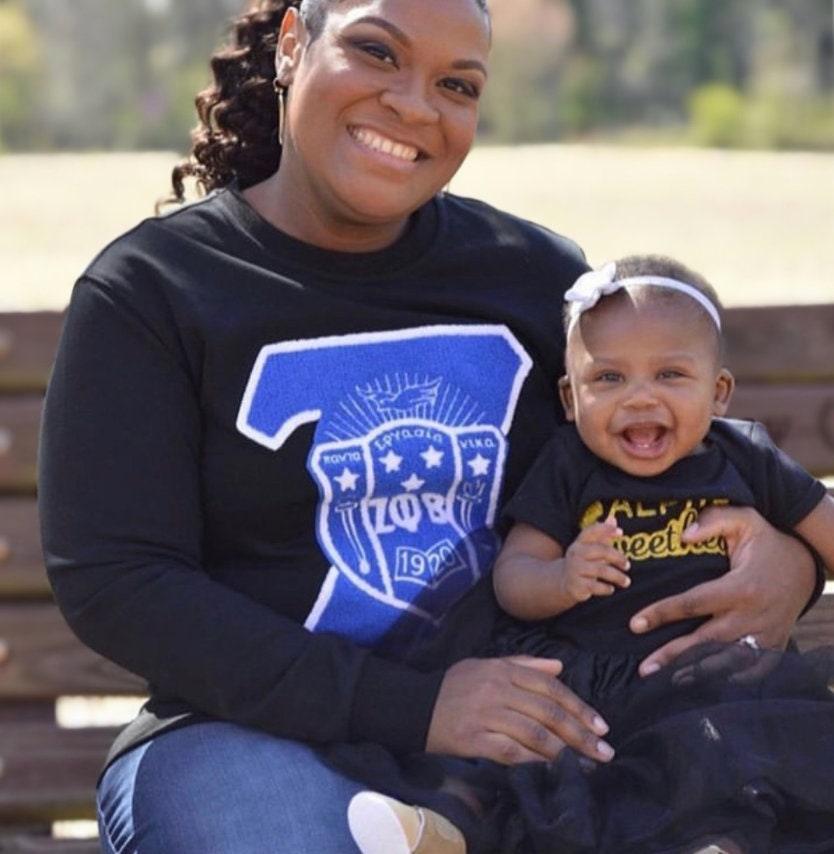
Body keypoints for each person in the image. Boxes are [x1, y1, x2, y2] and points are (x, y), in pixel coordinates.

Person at [36, 1, 823, 851]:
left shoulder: (533, 279)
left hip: (534, 744)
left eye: (457, 83)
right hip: (246, 734)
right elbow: (119, 582)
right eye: (376, 53)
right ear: (295, 45)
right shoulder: (155, 291)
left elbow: (658, 460)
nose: (415, 105)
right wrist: (419, 706)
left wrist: (796, 563)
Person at [342, 256, 834, 854]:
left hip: (704, 680)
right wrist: (564, 577)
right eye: (608, 379)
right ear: (570, 399)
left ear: (719, 391)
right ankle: (443, 829)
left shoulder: (745, 456)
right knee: (514, 762)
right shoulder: (568, 466)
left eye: (671, 375)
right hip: (581, 676)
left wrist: (792, 563)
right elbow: (514, 578)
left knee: (727, 755)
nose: (639, 398)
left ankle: (714, 844)